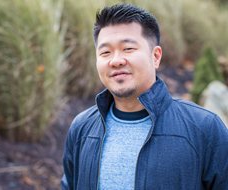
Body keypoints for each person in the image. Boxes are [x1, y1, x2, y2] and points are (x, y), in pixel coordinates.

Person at [61, 3, 228, 190]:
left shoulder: (204, 129)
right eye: (105, 52)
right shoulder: (82, 128)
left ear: (155, 56)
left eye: (128, 48)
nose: (115, 60)